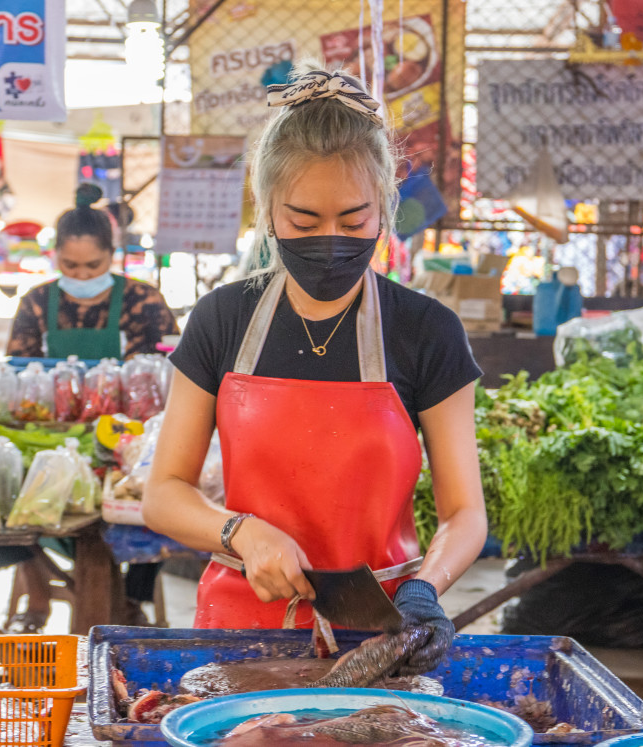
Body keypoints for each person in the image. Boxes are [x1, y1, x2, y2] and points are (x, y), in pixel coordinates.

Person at [142, 64, 487, 673]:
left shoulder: (426, 331)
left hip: (380, 634)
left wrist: (425, 587)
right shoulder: (224, 318)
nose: (331, 239)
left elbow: (465, 513)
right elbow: (164, 495)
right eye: (303, 222)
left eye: (354, 221)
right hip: (240, 631)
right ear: (268, 211)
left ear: (385, 207)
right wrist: (240, 534)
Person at [0, 184, 180, 632]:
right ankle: (35, 585)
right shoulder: (37, 303)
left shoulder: (143, 301)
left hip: (127, 440)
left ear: (113, 256)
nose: (80, 275)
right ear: (55, 256)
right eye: (70, 265)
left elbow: (168, 374)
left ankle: (132, 600)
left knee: (157, 493)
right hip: (52, 434)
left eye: (92, 266)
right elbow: (18, 373)